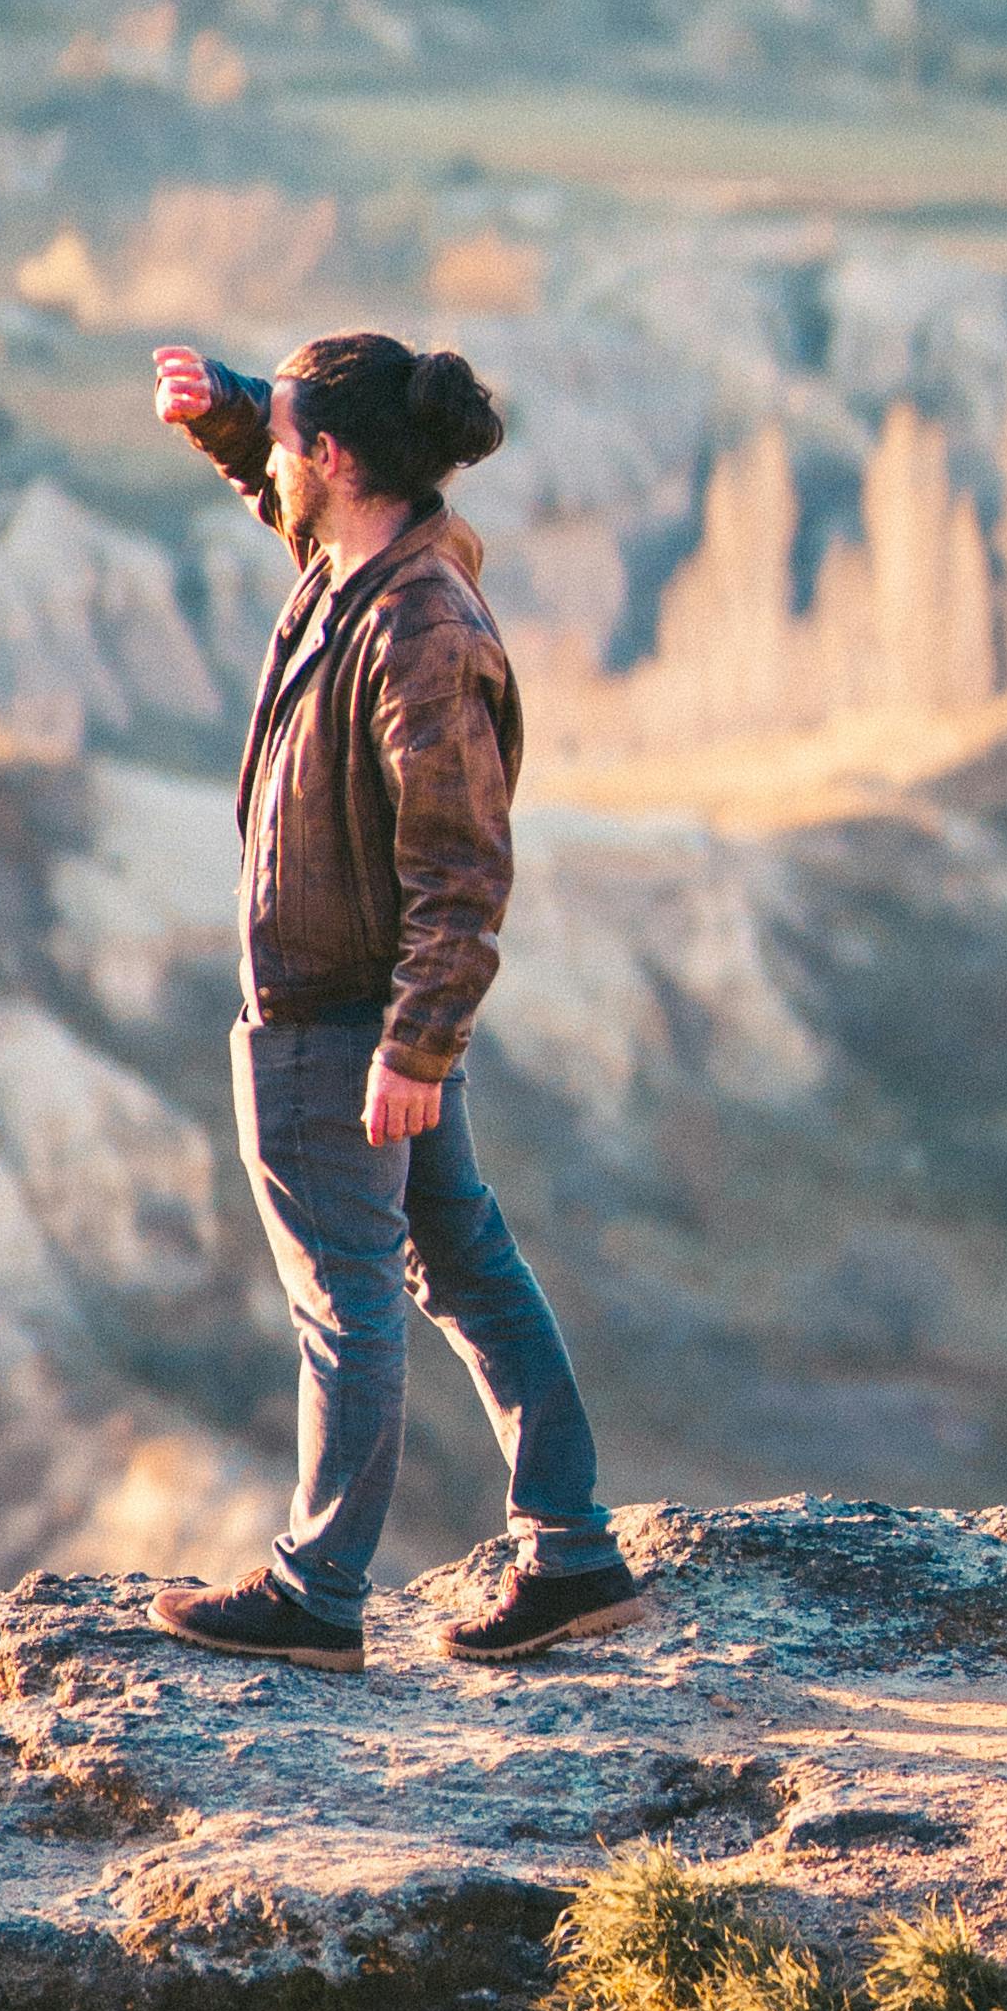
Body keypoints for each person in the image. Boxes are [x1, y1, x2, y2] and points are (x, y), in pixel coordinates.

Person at [143, 327, 641, 1670]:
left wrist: (417, 1044)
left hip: (346, 1023)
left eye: (294, 431)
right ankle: (574, 1550)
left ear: (344, 458)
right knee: (461, 1258)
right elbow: (286, 490)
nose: (280, 458)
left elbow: (462, 862)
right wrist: (232, 413)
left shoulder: (421, 628)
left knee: (345, 1297)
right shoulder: (368, 563)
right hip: (365, 1013)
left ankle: (319, 1592)